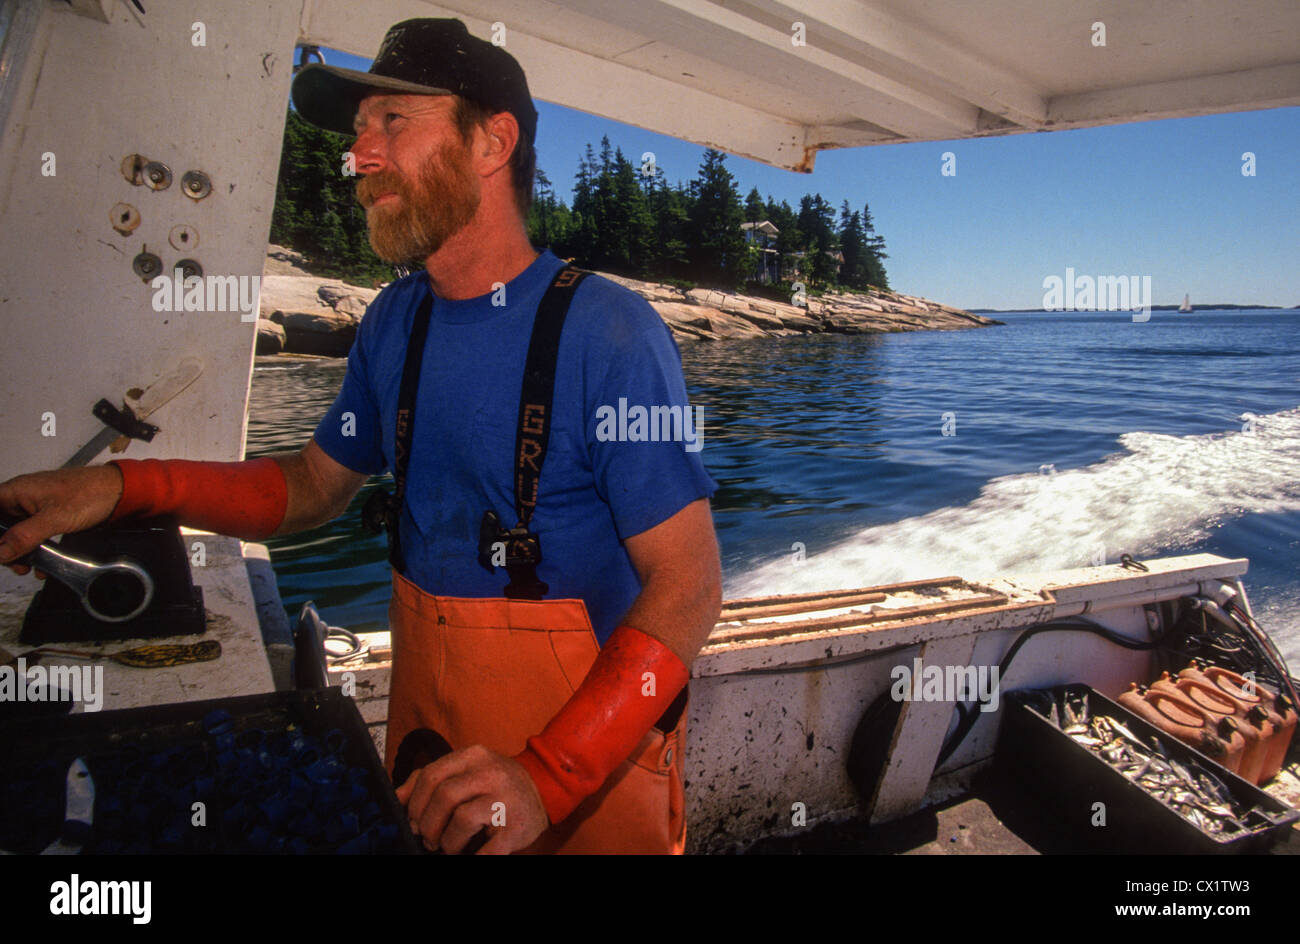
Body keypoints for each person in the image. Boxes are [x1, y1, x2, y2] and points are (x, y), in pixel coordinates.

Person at [0, 17, 721, 855]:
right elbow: (309, 487)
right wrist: (122, 489)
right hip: (427, 739)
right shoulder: (394, 322)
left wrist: (545, 776)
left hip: (582, 770)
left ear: (493, 142)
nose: (360, 156)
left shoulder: (612, 332)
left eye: (392, 123)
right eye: (356, 133)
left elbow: (690, 588)